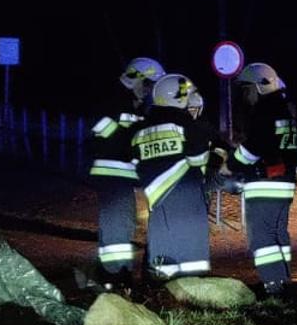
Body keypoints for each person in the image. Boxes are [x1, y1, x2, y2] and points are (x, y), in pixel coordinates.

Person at [132, 74, 222, 280]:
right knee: (190, 254)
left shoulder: (140, 130)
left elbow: (136, 166)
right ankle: (191, 294)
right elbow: (199, 160)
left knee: (161, 248)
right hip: (187, 194)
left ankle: (157, 287)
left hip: (156, 196)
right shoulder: (186, 125)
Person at [86, 57, 163, 287]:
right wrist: (134, 139)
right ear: (134, 79)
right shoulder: (113, 101)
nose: (149, 91)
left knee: (122, 223)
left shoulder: (133, 105)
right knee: (118, 224)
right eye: (148, 84)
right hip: (112, 173)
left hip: (123, 175)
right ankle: (115, 276)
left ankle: (110, 273)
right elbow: (104, 134)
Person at [230, 62, 297, 295]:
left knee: (261, 238)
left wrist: (232, 163)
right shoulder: (287, 111)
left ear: (259, 87)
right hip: (285, 184)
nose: (245, 95)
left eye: (247, 89)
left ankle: (272, 285)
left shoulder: (263, 112)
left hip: (263, 185)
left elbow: (252, 150)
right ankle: (282, 280)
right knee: (278, 233)